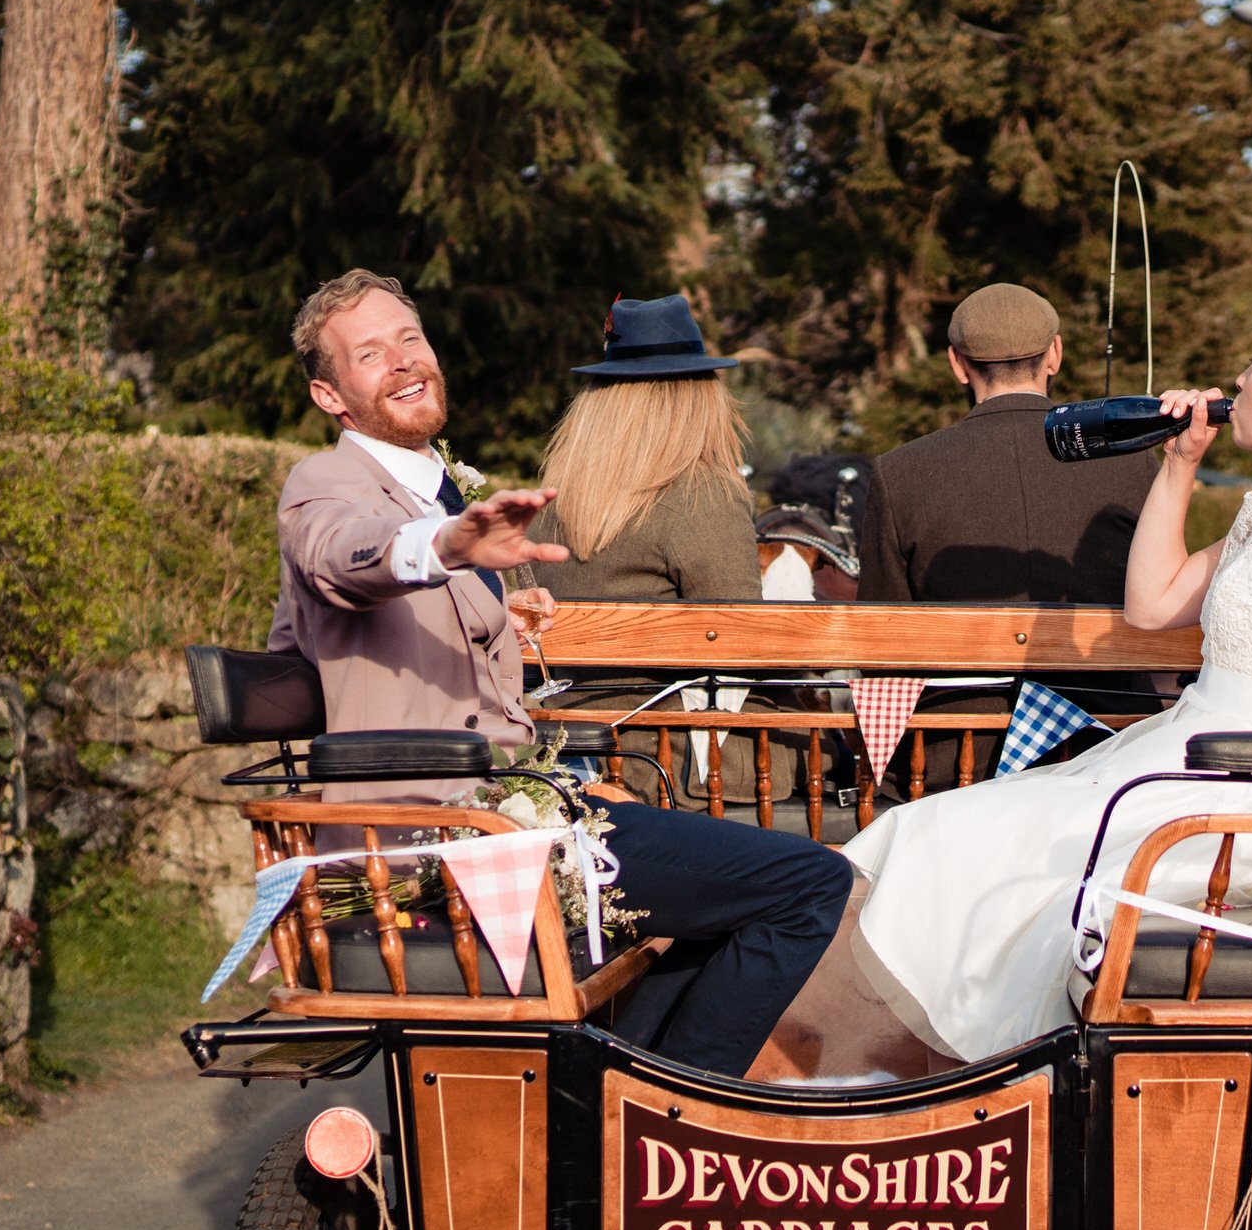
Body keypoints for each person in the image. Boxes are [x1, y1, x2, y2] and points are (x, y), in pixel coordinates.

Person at [842, 302, 1252, 1062]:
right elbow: (1151, 605)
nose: (1238, 381)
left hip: (1251, 785)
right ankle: (964, 1072)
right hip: (1191, 758)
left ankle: (942, 1069)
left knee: (966, 840)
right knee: (950, 829)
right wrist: (1180, 464)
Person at [266, 269, 852, 1075]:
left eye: (410, 339)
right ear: (331, 397)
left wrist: (503, 627)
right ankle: (660, 1112)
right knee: (811, 882)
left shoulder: (442, 489)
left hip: (521, 807)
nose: (403, 362)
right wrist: (442, 550)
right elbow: (341, 556)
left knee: (745, 892)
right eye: (369, 354)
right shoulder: (328, 489)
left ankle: (621, 1091)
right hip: (436, 837)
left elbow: (399, 646)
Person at [854, 283, 1160, 789]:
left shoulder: (900, 473)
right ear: (1055, 354)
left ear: (957, 364)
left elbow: (882, 642)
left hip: (954, 758)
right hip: (1108, 746)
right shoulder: (1130, 461)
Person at [527, 294, 803, 810]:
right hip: (666, 766)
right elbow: (740, 643)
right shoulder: (702, 494)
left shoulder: (551, 503)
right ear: (696, 396)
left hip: (564, 750)